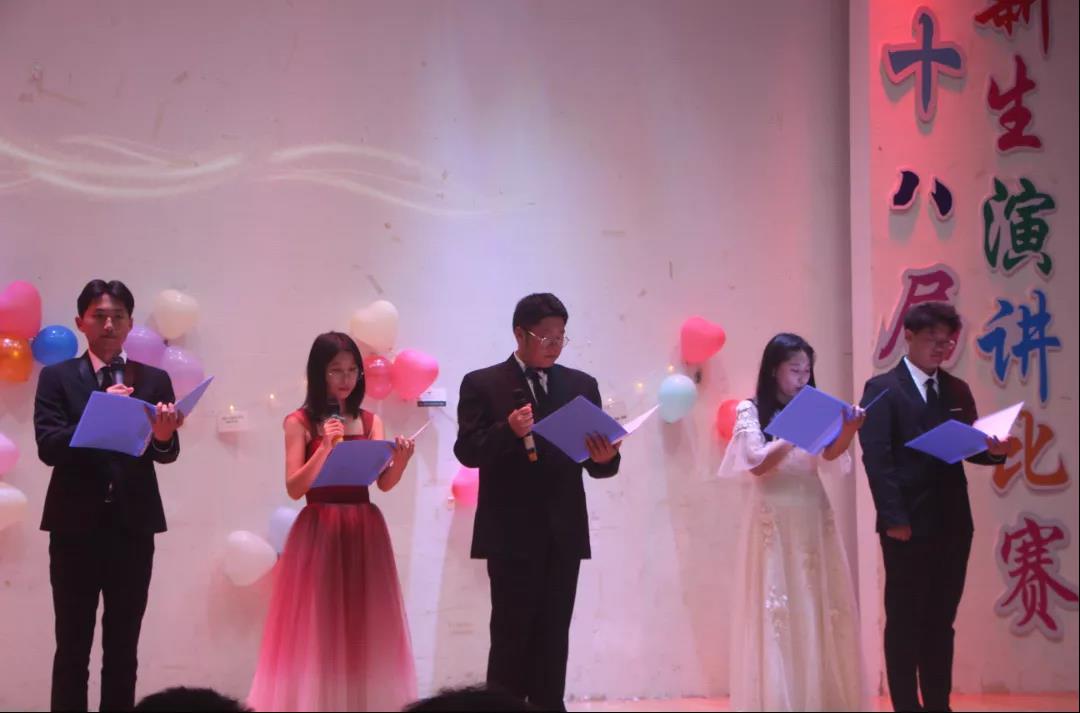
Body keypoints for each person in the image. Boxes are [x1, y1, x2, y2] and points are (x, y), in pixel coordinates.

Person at [453, 293, 621, 711]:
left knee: (553, 636)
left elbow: (596, 465)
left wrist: (606, 458)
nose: (554, 344)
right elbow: (468, 451)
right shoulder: (482, 383)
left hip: (563, 532)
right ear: (519, 334)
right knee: (510, 636)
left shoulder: (581, 385)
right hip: (510, 533)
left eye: (561, 336)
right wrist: (507, 430)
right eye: (545, 336)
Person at [34, 279, 184, 711]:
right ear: (80, 322)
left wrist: (163, 437)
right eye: (99, 316)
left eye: (118, 316)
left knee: (123, 648)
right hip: (73, 528)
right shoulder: (58, 378)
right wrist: (98, 409)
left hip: (133, 527)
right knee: (72, 647)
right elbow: (49, 447)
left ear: (130, 324)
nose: (108, 325)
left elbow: (166, 454)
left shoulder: (154, 379)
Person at [247, 332, 417, 711]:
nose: (346, 379)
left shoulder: (371, 420)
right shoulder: (299, 422)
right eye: (336, 370)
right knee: (318, 626)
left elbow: (383, 483)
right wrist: (324, 447)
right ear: (319, 373)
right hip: (320, 529)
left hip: (364, 528)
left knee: (362, 625)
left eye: (352, 370)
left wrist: (401, 461)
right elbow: (295, 487)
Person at [859, 303, 1011, 712]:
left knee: (941, 621)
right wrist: (894, 518)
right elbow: (877, 460)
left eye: (947, 342)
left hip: (953, 522)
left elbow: (971, 447)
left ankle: (939, 704)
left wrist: (994, 452)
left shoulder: (957, 389)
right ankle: (906, 705)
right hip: (906, 524)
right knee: (905, 621)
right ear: (908, 336)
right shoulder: (882, 389)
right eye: (933, 340)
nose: (941, 349)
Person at [719, 333, 865, 711]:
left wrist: (849, 429)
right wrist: (791, 431)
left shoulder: (815, 406)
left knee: (816, 601)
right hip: (774, 513)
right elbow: (756, 463)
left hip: (812, 509)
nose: (802, 378)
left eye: (806, 371)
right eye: (794, 370)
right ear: (774, 370)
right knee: (778, 605)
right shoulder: (751, 409)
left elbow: (830, 456)